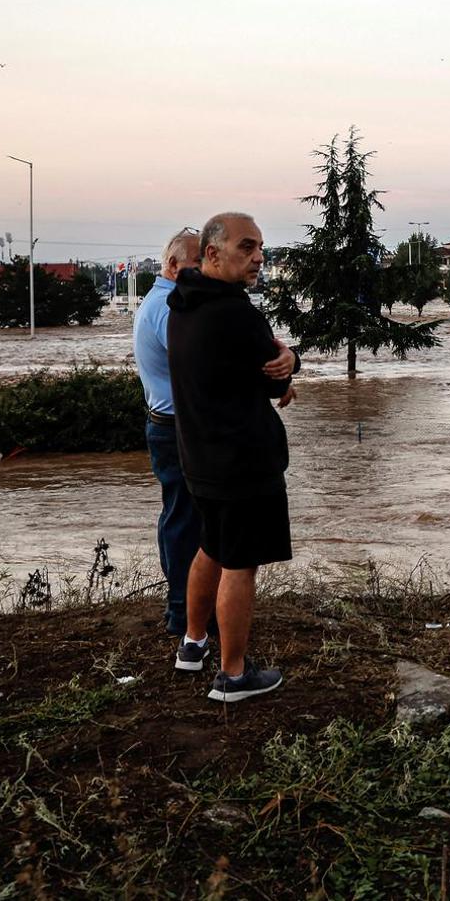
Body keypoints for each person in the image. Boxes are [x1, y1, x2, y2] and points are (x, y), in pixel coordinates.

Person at [167, 212, 298, 702]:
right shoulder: (235, 312)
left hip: (200, 457)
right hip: (242, 462)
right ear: (213, 254)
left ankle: (193, 644)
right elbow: (276, 380)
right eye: (247, 248)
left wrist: (278, 361)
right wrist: (291, 362)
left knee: (212, 547)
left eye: (261, 248)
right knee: (240, 564)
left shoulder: (182, 303)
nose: (259, 257)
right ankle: (234, 675)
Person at [133, 229, 205, 637]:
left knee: (180, 518)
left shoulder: (162, 303)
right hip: (176, 429)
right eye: (199, 263)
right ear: (174, 265)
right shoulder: (168, 308)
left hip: (169, 425)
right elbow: (197, 366)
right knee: (183, 523)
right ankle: (183, 614)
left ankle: (185, 608)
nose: (206, 272)